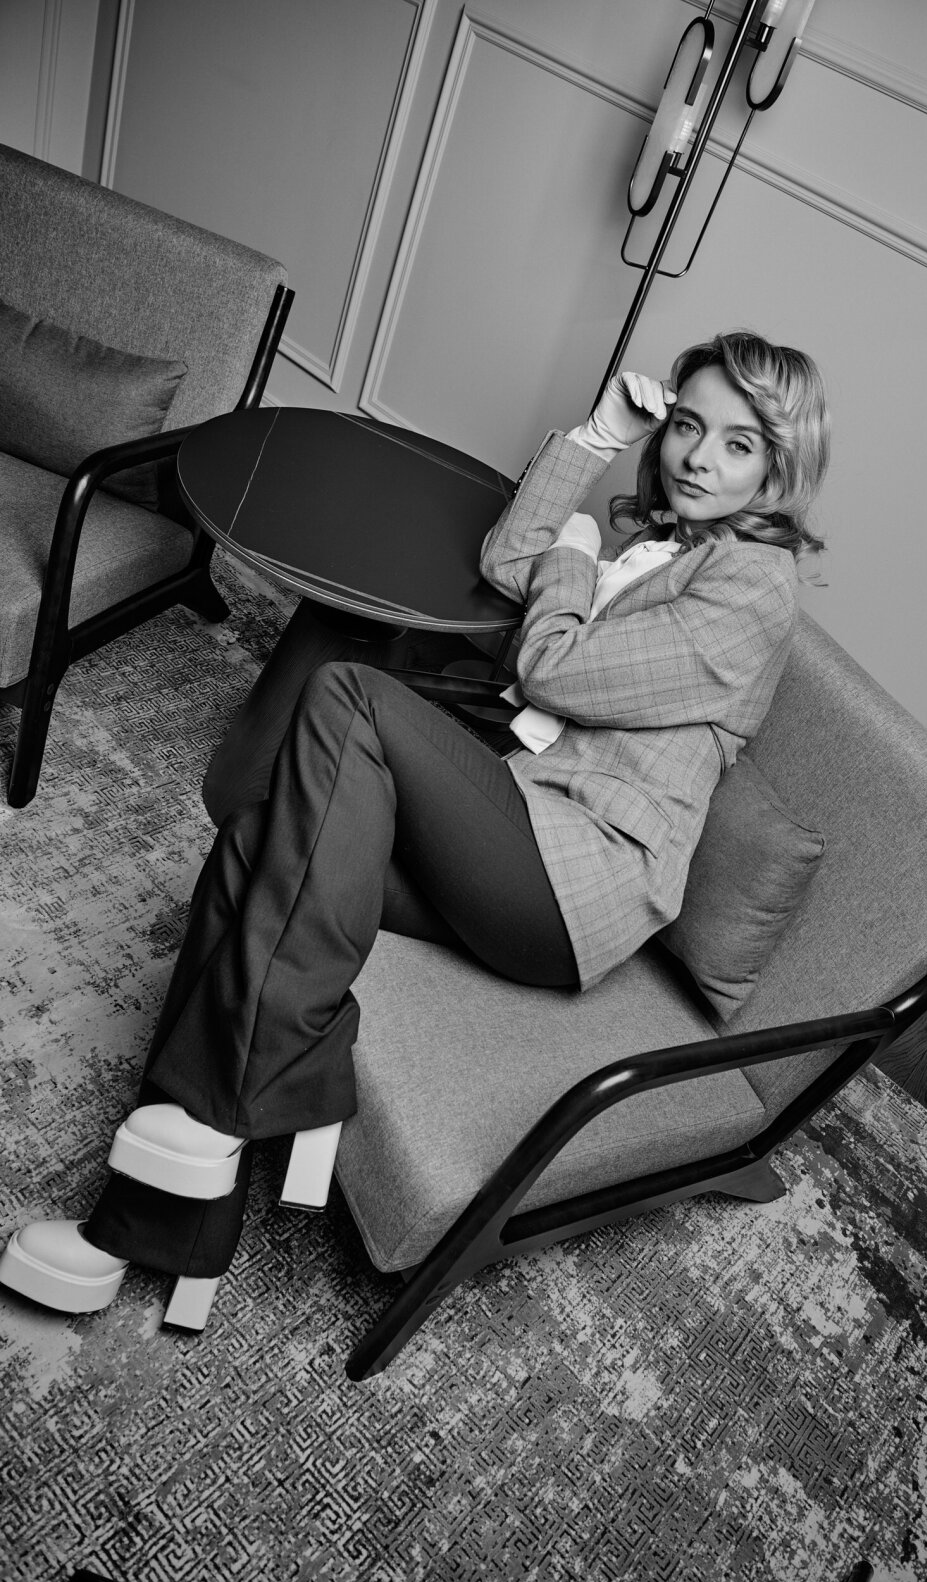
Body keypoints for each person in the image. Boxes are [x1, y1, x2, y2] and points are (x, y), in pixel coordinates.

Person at [0, 330, 830, 1326]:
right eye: (689, 426)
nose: (699, 457)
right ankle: (145, 1230)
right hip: (521, 832)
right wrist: (594, 440)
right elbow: (507, 559)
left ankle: (263, 1079)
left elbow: (556, 667)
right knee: (256, 842)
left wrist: (576, 558)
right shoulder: (663, 545)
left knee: (351, 695)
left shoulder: (755, 586)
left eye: (739, 444)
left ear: (780, 467)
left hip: (580, 878)